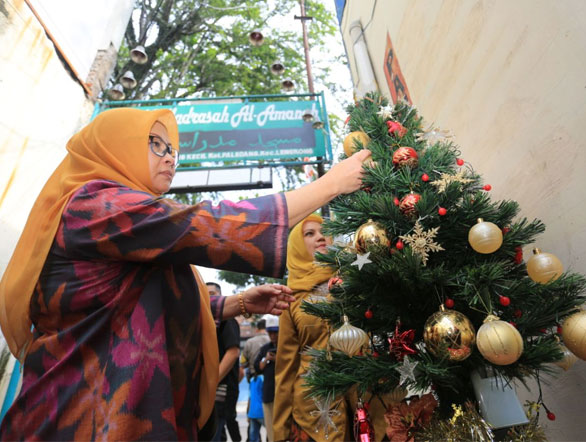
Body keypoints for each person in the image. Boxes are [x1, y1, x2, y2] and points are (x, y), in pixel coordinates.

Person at [0, 107, 370, 440]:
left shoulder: (129, 221)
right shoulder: (94, 204)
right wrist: (331, 184)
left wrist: (234, 304)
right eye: (155, 144)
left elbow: (132, 308)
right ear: (112, 147)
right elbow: (209, 225)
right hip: (84, 414)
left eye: (172, 148)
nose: (169, 157)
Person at [273, 215, 351, 442]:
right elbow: (286, 368)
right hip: (314, 414)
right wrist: (280, 431)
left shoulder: (353, 281)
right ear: (297, 247)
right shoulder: (290, 298)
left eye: (322, 231)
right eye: (310, 233)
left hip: (363, 402)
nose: (320, 237)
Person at [207, 282, 242, 442]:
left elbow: (233, 352)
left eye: (213, 293)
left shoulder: (226, 319)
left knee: (217, 430)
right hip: (211, 390)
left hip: (220, 389)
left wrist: (211, 382)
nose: (209, 298)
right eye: (205, 294)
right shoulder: (205, 321)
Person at [241, 319, 270, 441]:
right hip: (271, 383)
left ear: (257, 329)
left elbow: (243, 363)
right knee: (271, 418)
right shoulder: (272, 341)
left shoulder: (249, 342)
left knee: (253, 416)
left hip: (255, 382)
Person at [254, 316, 279, 442]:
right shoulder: (265, 349)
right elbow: (257, 367)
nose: (273, 336)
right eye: (270, 333)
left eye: (275, 332)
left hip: (283, 394)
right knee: (270, 428)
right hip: (268, 393)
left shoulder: (286, 347)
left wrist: (278, 359)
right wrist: (267, 359)